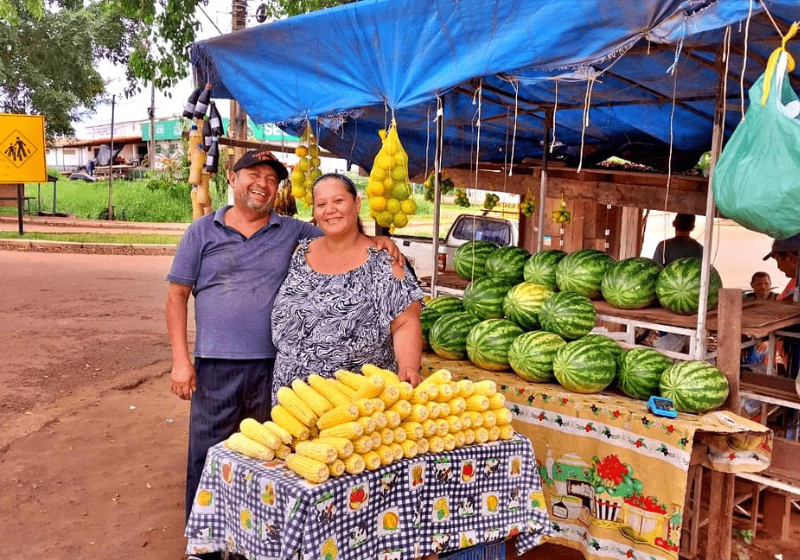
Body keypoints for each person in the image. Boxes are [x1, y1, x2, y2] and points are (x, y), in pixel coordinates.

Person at [166, 150, 403, 544]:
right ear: (233, 177)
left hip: (275, 371)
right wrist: (180, 361)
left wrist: (379, 240)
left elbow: (341, 236)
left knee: (269, 457)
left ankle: (256, 540)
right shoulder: (202, 232)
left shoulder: (293, 232)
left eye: (272, 179)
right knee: (208, 455)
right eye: (253, 174)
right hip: (216, 364)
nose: (262, 183)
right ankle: (204, 541)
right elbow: (177, 296)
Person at [271, 173, 424, 400]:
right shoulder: (301, 253)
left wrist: (409, 366)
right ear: (314, 212)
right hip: (293, 400)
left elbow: (405, 322)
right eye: (321, 204)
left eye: (339, 201)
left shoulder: (383, 261)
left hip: (356, 401)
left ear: (357, 203)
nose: (330, 209)